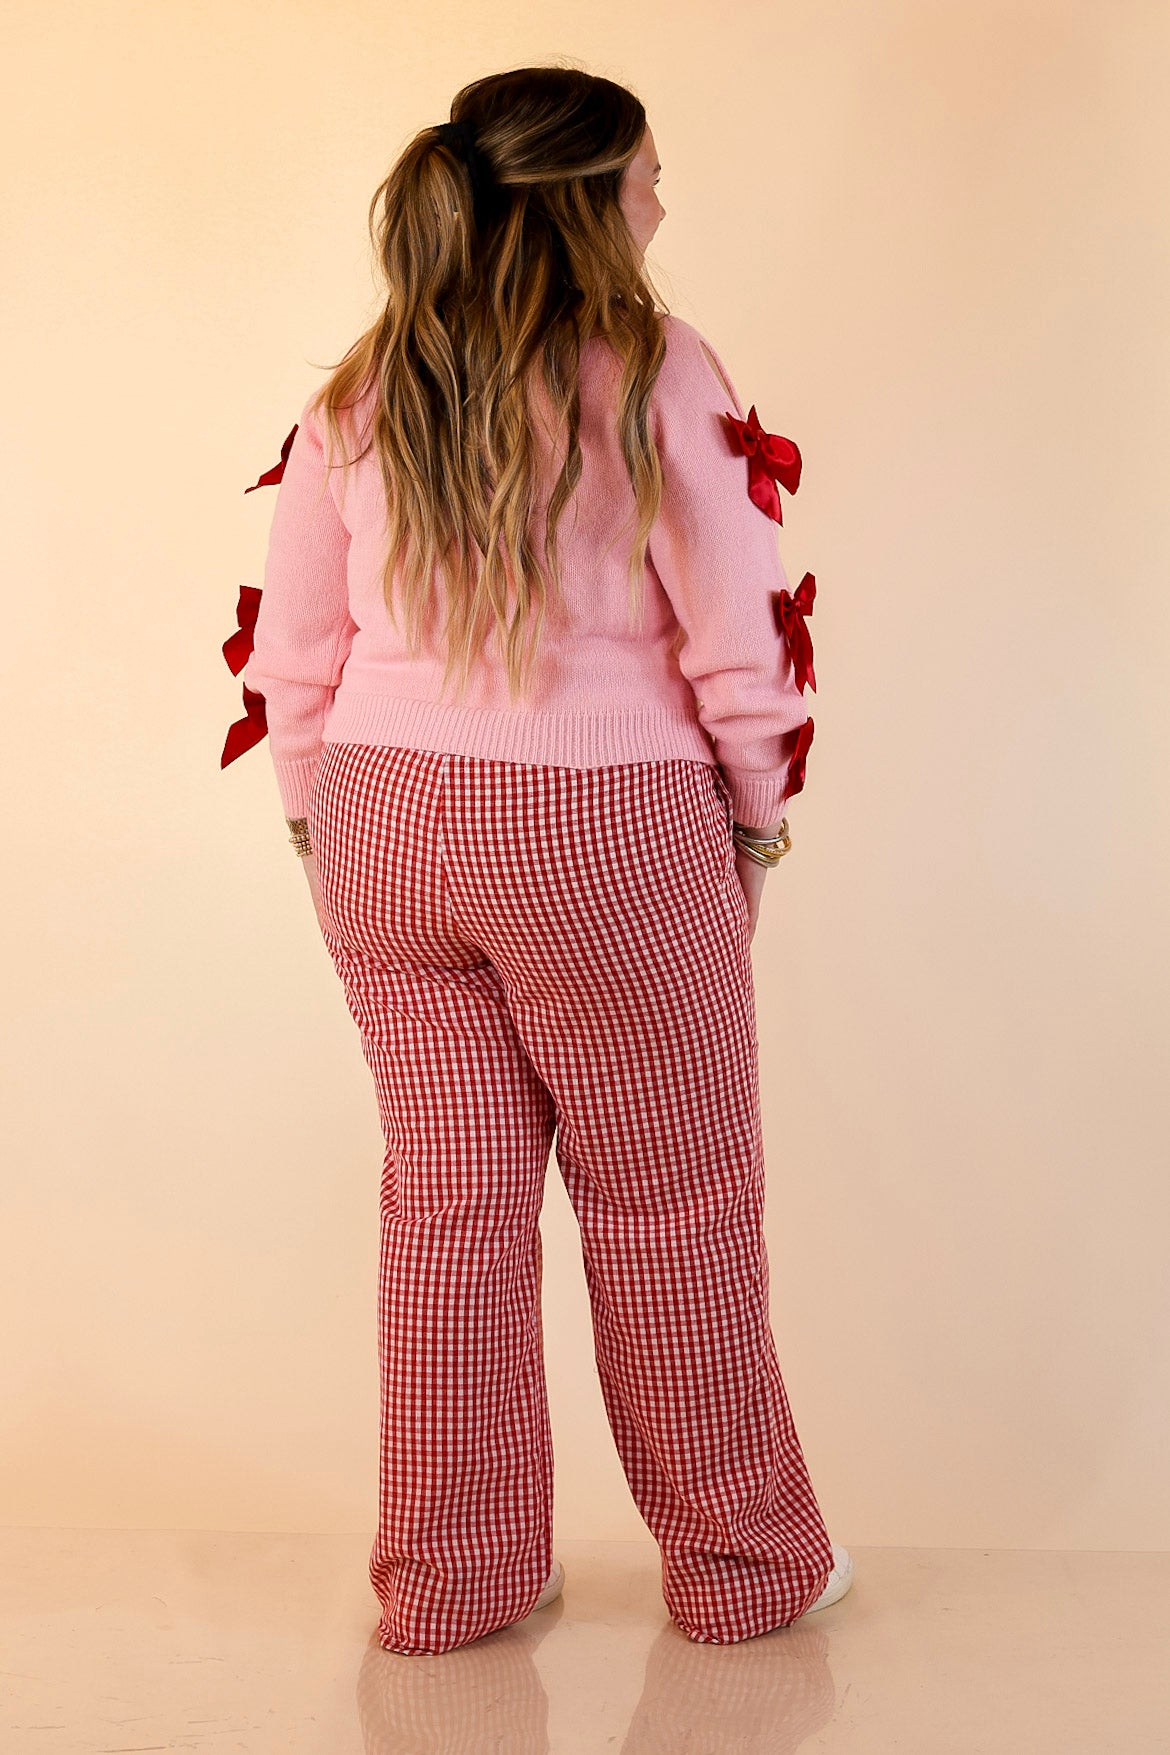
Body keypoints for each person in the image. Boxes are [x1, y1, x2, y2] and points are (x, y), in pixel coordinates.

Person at [221, 63, 852, 1656]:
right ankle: (741, 1571)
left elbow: (292, 652)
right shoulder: (656, 366)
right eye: (646, 174)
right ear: (582, 198)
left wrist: (315, 822)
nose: (662, 200)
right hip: (603, 820)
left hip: (378, 818)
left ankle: (456, 1583)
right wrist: (754, 822)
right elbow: (739, 639)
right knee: (671, 1204)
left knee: (450, 1211)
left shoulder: (361, 386)